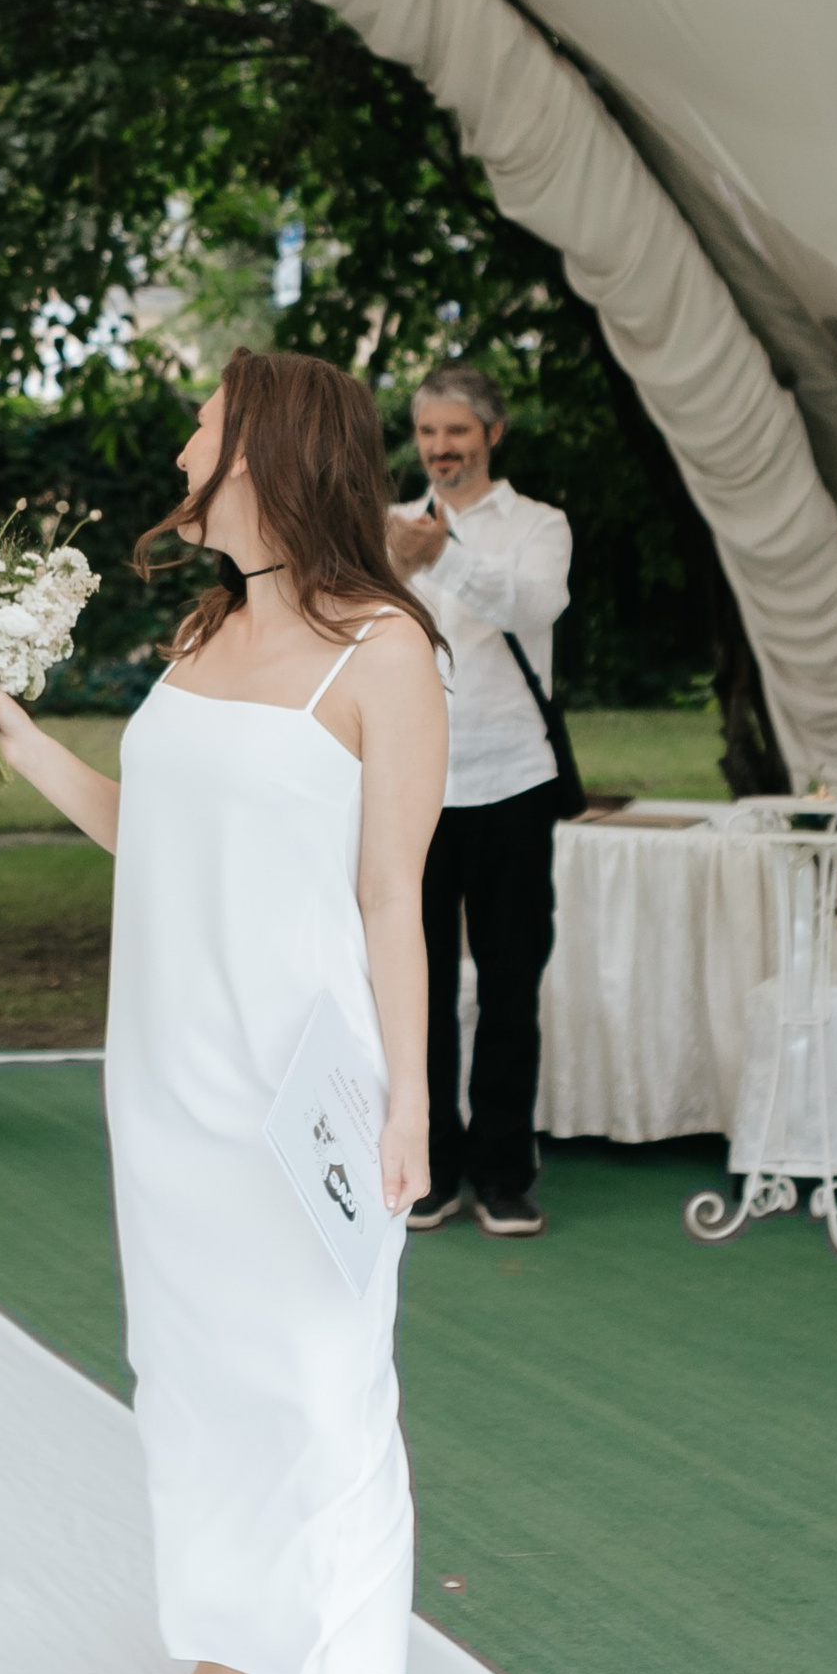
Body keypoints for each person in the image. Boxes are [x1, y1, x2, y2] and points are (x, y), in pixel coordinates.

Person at [0, 348, 450, 1674]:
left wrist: (414, 1103)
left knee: (333, 1392)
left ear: (269, 449)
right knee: (194, 1369)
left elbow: (391, 898)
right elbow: (144, 828)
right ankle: (226, 1629)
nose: (181, 443)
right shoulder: (204, 624)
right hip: (159, 1077)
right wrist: (14, 733)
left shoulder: (387, 652)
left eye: (205, 422)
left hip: (302, 1088)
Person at [386, 360, 574, 1241]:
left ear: (492, 435)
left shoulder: (539, 525)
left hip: (510, 780)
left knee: (508, 983)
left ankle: (504, 1173)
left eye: (457, 433)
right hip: (410, 786)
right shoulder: (386, 528)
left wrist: (447, 561)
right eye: (428, 434)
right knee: (412, 986)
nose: (440, 450)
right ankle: (430, 1170)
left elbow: (539, 602)